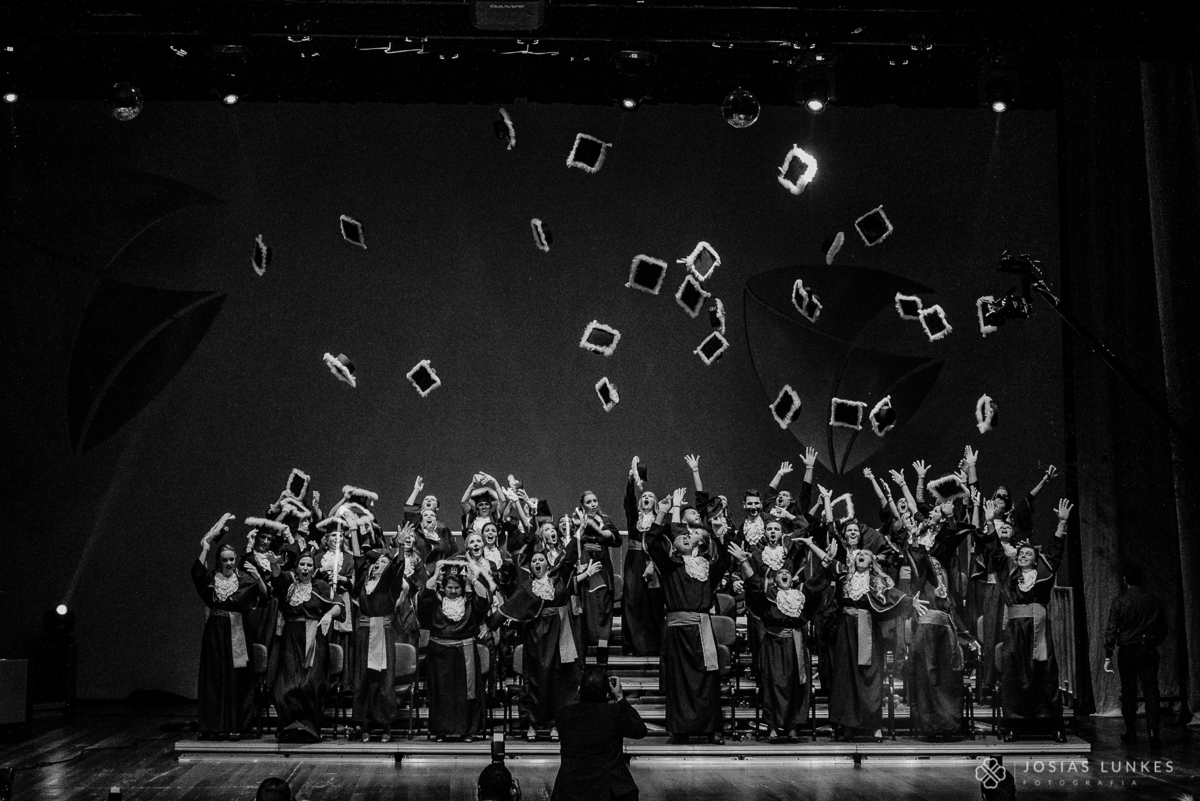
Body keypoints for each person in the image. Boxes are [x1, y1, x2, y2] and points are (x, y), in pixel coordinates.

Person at [646, 488, 730, 744]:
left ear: (699, 544)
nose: (684, 537)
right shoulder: (670, 565)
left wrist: (718, 534)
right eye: (680, 536)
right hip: (677, 631)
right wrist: (663, 511)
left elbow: (724, 560)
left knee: (707, 679)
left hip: (700, 630)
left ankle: (710, 728)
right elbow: (651, 542)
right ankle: (680, 728)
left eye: (689, 536)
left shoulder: (705, 567)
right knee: (679, 681)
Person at [986, 497, 1072, 741]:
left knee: (1045, 674)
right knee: (1014, 676)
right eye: (1020, 553)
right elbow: (995, 552)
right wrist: (991, 522)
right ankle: (1014, 723)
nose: (1022, 555)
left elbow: (1055, 553)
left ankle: (1052, 723)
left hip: (1039, 630)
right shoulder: (1009, 575)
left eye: (1027, 553)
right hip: (1015, 632)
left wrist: (1061, 524)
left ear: (1035, 558)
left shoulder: (1044, 574)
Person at [493, 547, 582, 741]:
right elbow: (509, 608)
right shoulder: (527, 587)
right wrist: (489, 625)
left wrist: (580, 530)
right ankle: (532, 724)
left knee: (558, 680)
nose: (537, 563)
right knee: (535, 680)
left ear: (547, 564)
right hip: (536, 637)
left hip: (560, 634)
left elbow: (567, 557)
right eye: (534, 561)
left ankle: (555, 724)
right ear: (530, 567)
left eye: (541, 560)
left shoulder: (558, 581)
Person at [193, 514, 267, 740]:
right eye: (224, 560)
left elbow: (263, 596)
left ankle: (237, 724)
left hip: (237, 631)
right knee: (214, 678)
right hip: (215, 632)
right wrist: (206, 546)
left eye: (231, 559)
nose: (228, 563)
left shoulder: (244, 580)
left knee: (237, 678)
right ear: (219, 561)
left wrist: (259, 577)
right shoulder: (211, 579)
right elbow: (196, 573)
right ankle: (214, 725)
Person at [351, 522, 415, 742]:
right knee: (364, 680)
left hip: (383, 632)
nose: (379, 565)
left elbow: (396, 570)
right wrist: (352, 531)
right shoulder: (364, 583)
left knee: (384, 680)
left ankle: (386, 726)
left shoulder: (389, 585)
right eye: (377, 562)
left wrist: (398, 547)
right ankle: (365, 725)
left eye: (383, 563)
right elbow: (359, 560)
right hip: (364, 633)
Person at [269, 551, 342, 741]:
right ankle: (288, 727)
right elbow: (277, 578)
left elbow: (338, 605)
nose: (305, 568)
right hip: (291, 639)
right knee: (285, 686)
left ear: (314, 569)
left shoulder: (321, 586)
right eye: (302, 564)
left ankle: (308, 728)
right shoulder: (289, 586)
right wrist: (273, 563)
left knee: (310, 684)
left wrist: (328, 615)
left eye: (309, 565)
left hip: (313, 638)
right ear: (297, 567)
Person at [417, 560, 492, 742]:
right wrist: (435, 576)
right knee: (440, 693)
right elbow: (422, 597)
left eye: (456, 587)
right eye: (449, 587)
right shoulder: (435, 601)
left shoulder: (469, 602)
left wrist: (473, 579)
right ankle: (440, 730)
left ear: (462, 587)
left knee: (467, 693)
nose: (452, 590)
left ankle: (468, 731)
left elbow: (484, 599)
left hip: (464, 652)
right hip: (439, 655)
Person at [552, 668, 648, 801]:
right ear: (608, 693)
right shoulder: (614, 713)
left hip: (571, 789)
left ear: (579, 689)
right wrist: (620, 698)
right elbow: (640, 730)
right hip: (607, 789)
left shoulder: (564, 714)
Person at [1104, 562, 1168, 745]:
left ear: (1125, 581)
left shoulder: (1119, 602)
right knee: (1151, 691)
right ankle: (1154, 734)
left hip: (1127, 651)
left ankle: (1131, 732)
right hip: (1147, 649)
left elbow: (1111, 630)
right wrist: (1152, 642)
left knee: (1128, 692)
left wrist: (1108, 653)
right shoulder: (1153, 600)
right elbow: (1163, 629)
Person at [621, 456, 663, 656]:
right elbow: (629, 499)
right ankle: (631, 645)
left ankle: (651, 645)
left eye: (650, 496)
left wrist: (653, 564)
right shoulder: (634, 518)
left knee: (651, 603)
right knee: (632, 600)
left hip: (652, 563)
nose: (646, 498)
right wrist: (632, 479)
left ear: (655, 503)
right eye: (644, 496)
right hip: (634, 562)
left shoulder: (659, 521)